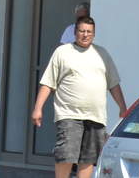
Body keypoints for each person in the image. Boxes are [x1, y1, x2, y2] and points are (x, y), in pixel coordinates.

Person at [32, 16, 127, 178]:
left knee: (88, 159)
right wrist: (37, 108)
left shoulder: (102, 53)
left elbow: (113, 84)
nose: (85, 35)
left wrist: (123, 107)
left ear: (94, 34)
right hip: (69, 115)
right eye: (82, 31)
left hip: (96, 116)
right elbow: (48, 83)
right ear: (75, 32)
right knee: (66, 155)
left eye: (89, 32)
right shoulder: (62, 52)